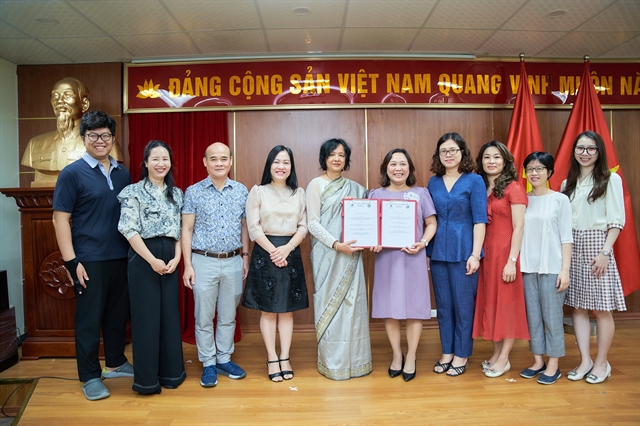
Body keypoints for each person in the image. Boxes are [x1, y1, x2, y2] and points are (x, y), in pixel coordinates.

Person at [52, 110, 133, 401]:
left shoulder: (123, 173)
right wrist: (71, 262)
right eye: (93, 135)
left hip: (121, 256)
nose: (100, 141)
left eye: (105, 135)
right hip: (89, 259)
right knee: (89, 320)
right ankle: (89, 376)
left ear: (112, 137)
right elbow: (60, 219)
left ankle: (116, 362)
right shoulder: (72, 173)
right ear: (84, 138)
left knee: (117, 315)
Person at [117, 140, 186, 394]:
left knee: (169, 316)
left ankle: (171, 374)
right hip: (143, 256)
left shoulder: (177, 194)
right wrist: (152, 260)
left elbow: (180, 230)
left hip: (170, 258)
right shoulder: (132, 191)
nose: (160, 163)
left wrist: (178, 258)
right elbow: (129, 230)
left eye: (165, 159)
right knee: (146, 318)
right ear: (145, 162)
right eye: (155, 159)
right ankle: (147, 381)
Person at [181, 142, 250, 388]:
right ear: (205, 162)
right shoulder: (193, 192)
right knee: (204, 316)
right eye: (213, 159)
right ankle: (208, 362)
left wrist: (245, 257)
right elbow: (186, 230)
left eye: (223, 158)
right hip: (203, 261)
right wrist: (188, 265)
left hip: (233, 261)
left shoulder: (241, 191)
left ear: (230, 161)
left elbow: (244, 227)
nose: (219, 163)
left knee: (229, 315)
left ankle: (224, 358)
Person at [561, 130, 626, 384]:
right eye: (580, 148)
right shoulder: (567, 184)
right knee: (577, 308)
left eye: (591, 149)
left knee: (601, 309)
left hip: (598, 247)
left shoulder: (610, 179)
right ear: (574, 151)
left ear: (599, 152)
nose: (585, 153)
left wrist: (605, 252)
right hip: (573, 247)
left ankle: (601, 363)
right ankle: (585, 360)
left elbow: (616, 220)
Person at [306, 138, 372, 381]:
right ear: (324, 158)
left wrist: (370, 238)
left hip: (351, 255)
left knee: (353, 305)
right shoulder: (316, 185)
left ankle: (357, 362)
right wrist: (336, 244)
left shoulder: (357, 189)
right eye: (332, 154)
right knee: (329, 305)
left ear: (346, 160)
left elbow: (368, 221)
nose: (337, 159)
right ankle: (332, 364)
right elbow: (312, 223)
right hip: (327, 255)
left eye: (341, 155)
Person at [369, 148, 437, 382]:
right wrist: (373, 242)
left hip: (413, 257)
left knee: (414, 308)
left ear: (409, 168)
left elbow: (431, 223)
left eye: (403, 164)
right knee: (390, 308)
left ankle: (412, 356)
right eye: (393, 164)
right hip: (386, 259)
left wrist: (423, 242)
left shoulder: (420, 193)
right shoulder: (375, 195)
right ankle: (397, 355)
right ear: (385, 169)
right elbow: (370, 227)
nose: (398, 168)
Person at [242, 145, 308, 382]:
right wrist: (274, 252)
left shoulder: (299, 193)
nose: (281, 166)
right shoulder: (258, 191)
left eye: (286, 162)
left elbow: (303, 226)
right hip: (265, 253)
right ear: (269, 165)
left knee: (287, 311)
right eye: (277, 162)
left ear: (291, 167)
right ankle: (272, 357)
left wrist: (287, 249)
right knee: (269, 311)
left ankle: (285, 357)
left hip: (290, 251)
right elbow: (253, 228)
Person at [427, 132, 487, 377]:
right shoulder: (433, 182)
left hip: (465, 251)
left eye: (453, 150)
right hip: (438, 252)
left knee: (463, 306)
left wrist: (475, 254)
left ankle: (461, 354)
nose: (448, 155)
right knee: (443, 306)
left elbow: (480, 220)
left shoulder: (475, 181)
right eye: (444, 151)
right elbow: (429, 218)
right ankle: (447, 352)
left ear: (462, 153)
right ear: (438, 155)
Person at [472, 141, 529, 378]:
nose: (491, 161)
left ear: (505, 161)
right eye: (487, 157)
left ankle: (504, 358)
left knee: (506, 305)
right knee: (491, 302)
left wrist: (511, 261)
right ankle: (496, 354)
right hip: (486, 255)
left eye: (496, 157)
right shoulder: (480, 187)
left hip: (505, 255)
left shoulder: (514, 188)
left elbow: (519, 227)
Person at [519, 152, 573, 385]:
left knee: (552, 317)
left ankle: (553, 365)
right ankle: (538, 361)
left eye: (540, 168)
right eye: (530, 169)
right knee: (533, 317)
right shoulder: (523, 200)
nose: (534, 173)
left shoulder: (560, 200)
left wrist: (565, 270)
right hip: (527, 267)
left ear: (549, 172)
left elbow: (567, 237)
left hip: (552, 267)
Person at [22, 78, 121, 187]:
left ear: (84, 104)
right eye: (55, 96)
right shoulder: (35, 143)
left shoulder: (104, 143)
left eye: (67, 95)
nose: (59, 101)